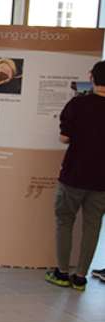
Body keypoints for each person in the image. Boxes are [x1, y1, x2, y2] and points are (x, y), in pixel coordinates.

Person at [49, 60, 105, 290]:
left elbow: (64, 138)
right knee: (92, 226)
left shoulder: (77, 104)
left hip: (74, 174)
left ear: (92, 77)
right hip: (102, 180)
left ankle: (62, 273)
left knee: (65, 222)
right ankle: (80, 277)